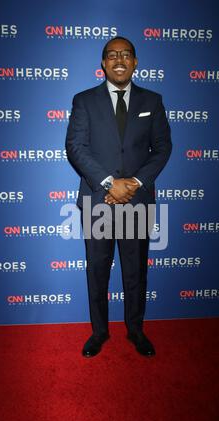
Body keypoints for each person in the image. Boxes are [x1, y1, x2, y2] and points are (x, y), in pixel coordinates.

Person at [66, 36, 172, 357]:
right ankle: (99, 332)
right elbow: (76, 147)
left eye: (126, 54)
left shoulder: (152, 101)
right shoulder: (84, 100)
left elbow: (162, 147)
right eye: (112, 55)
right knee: (97, 270)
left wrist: (134, 183)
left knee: (135, 270)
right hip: (98, 202)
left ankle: (136, 330)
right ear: (103, 64)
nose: (119, 59)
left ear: (135, 62)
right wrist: (110, 183)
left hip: (137, 203)